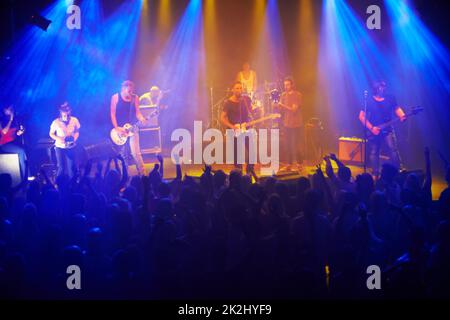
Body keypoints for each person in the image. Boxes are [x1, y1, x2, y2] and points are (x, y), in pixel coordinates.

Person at [359, 80, 406, 176]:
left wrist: (402, 115)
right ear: (376, 88)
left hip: (388, 129)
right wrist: (371, 128)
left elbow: (397, 108)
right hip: (374, 130)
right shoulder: (368, 100)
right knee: (374, 151)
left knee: (393, 149)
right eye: (382, 86)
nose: (384, 88)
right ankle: (375, 173)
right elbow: (361, 116)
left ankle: (398, 170)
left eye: (385, 86)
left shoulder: (390, 98)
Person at [110, 80, 146, 176]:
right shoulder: (115, 97)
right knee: (123, 156)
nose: (130, 93)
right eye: (128, 91)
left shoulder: (135, 98)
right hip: (120, 131)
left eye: (131, 91)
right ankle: (124, 179)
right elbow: (112, 114)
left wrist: (142, 118)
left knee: (136, 153)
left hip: (133, 128)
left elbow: (137, 112)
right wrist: (117, 128)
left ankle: (143, 176)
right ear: (123, 89)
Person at [220, 81, 254, 175]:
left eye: (240, 88)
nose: (239, 90)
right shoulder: (228, 102)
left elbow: (249, 113)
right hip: (234, 131)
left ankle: (249, 173)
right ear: (232, 90)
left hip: (245, 129)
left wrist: (250, 122)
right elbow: (222, 117)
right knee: (237, 154)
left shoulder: (245, 100)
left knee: (251, 151)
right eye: (237, 88)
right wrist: (232, 127)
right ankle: (238, 174)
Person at [275, 77, 303, 172]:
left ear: (292, 85)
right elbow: (282, 110)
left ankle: (299, 164)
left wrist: (282, 105)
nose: (286, 87)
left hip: (296, 123)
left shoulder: (297, 95)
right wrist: (277, 106)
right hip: (286, 123)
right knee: (287, 144)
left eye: (287, 85)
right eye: (285, 85)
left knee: (297, 144)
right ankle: (289, 164)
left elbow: (293, 109)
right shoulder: (283, 95)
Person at [49, 102, 80, 178]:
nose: (67, 118)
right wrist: (59, 138)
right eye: (64, 116)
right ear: (61, 114)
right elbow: (51, 133)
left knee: (71, 169)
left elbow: (77, 131)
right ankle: (58, 184)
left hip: (71, 147)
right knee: (61, 168)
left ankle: (72, 185)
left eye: (68, 115)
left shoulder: (74, 120)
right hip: (60, 147)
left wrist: (74, 139)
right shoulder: (56, 122)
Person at [0, 105, 27, 180]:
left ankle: (24, 174)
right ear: (5, 110)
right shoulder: (2, 120)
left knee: (24, 151)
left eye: (12, 109)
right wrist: (10, 120)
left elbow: (16, 134)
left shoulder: (15, 120)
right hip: (4, 144)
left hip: (13, 143)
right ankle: (24, 177)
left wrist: (20, 132)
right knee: (21, 151)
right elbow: (4, 132)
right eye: (10, 109)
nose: (12, 110)